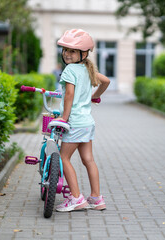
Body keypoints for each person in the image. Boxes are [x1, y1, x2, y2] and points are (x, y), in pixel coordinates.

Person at [53, 29, 110, 212]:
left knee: (64, 157)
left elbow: (69, 94)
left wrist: (64, 118)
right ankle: (96, 198)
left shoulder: (70, 70)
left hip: (75, 122)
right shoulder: (87, 68)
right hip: (87, 123)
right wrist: (94, 97)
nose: (67, 54)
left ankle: (76, 198)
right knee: (88, 160)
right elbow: (106, 81)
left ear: (83, 54)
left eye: (72, 51)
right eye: (65, 50)